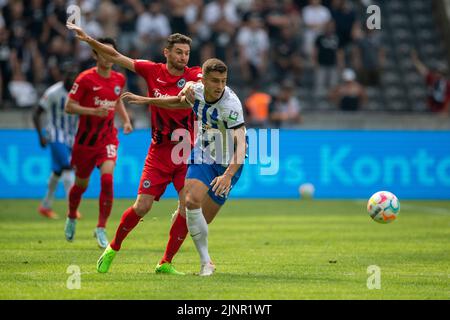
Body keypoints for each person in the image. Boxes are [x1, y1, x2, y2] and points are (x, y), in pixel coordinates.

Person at [66, 22, 203, 275]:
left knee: (188, 205)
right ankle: (113, 248)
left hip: (186, 152)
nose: (184, 58)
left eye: (186, 53)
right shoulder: (152, 71)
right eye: (179, 52)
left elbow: (184, 105)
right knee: (142, 207)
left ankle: (165, 263)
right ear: (167, 52)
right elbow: (116, 56)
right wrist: (88, 40)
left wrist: (145, 100)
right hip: (160, 152)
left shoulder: (194, 76)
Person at [121, 58, 247, 276]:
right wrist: (145, 100)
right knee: (190, 201)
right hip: (204, 154)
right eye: (215, 81)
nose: (219, 86)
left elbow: (242, 144)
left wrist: (227, 175)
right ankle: (206, 263)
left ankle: (187, 220)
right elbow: (177, 102)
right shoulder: (195, 90)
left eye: (223, 81)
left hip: (228, 162)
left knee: (197, 222)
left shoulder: (231, 105)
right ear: (203, 80)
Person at [64, 37, 133, 249]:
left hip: (107, 138)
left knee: (107, 180)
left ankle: (101, 228)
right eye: (103, 52)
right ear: (95, 55)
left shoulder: (119, 79)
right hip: (85, 142)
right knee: (80, 185)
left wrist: (126, 120)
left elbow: (117, 100)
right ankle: (72, 216)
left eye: (111, 53)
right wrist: (93, 111)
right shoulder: (85, 79)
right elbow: (69, 106)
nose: (108, 57)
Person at [32, 63, 80, 219]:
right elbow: (36, 113)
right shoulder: (53, 92)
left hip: (72, 136)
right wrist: (41, 136)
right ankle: (72, 209)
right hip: (55, 134)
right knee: (68, 166)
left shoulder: (81, 92)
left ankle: (45, 206)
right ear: (63, 76)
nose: (72, 79)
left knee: (58, 172)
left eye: (74, 76)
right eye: (68, 75)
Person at [411, 50, 450, 115]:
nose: (438, 74)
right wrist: (415, 60)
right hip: (431, 110)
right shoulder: (432, 79)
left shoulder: (447, 84)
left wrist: (445, 111)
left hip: (442, 111)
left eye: (441, 72)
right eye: (437, 72)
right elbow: (423, 70)